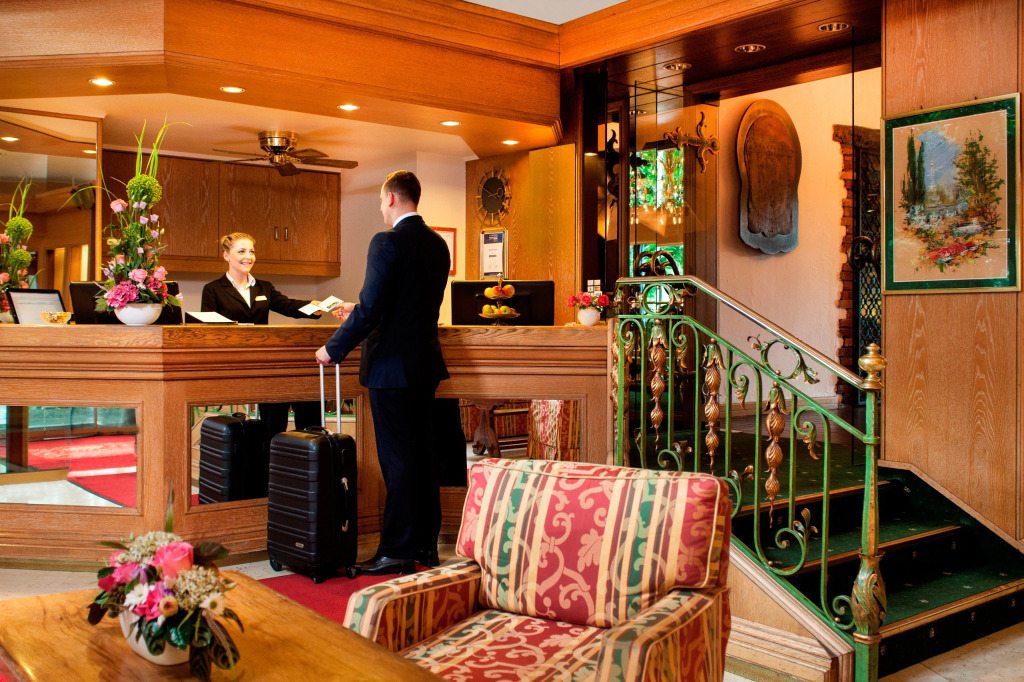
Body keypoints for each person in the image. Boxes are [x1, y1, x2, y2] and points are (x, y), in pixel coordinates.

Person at [316, 170, 450, 576]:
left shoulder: (386, 241)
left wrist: (333, 348)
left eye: (380, 200)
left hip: (391, 369)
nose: (380, 207)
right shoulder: (437, 244)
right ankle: (425, 546)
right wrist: (356, 311)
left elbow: (375, 308)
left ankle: (396, 549)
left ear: (391, 198)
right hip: (424, 364)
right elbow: (403, 303)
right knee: (423, 457)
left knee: (398, 462)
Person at [202, 232, 323, 438]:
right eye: (241, 251)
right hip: (233, 360)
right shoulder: (213, 289)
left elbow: (287, 305)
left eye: (251, 251)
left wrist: (313, 307)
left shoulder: (263, 287)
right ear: (226, 255)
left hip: (264, 359)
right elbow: (207, 329)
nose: (248, 256)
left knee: (290, 394)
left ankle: (290, 445)